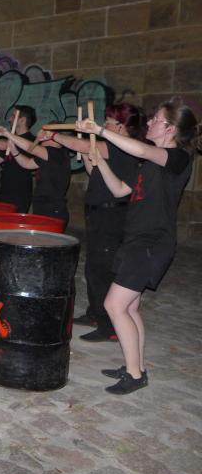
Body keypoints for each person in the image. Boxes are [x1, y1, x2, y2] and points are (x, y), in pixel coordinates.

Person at [76, 100, 200, 395]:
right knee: (130, 307)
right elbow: (119, 189)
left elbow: (142, 150)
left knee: (114, 305)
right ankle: (136, 366)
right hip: (135, 240)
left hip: (152, 243)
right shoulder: (150, 164)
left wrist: (101, 131)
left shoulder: (178, 158)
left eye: (157, 119)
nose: (150, 123)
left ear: (170, 129)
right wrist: (99, 161)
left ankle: (134, 375)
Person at [53, 103, 144, 342]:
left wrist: (54, 136)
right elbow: (93, 169)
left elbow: (81, 144)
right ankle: (95, 313)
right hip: (98, 212)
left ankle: (109, 327)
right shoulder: (111, 148)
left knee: (102, 269)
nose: (104, 125)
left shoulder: (122, 148)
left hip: (111, 215)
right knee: (93, 267)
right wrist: (86, 153)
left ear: (121, 127)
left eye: (109, 122)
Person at [0, 124, 71, 224]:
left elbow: (30, 147)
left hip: (53, 209)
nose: (41, 137)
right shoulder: (47, 156)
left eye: (45, 133)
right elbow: (27, 164)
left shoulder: (57, 153)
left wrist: (6, 133)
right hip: (42, 206)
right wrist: (14, 151)